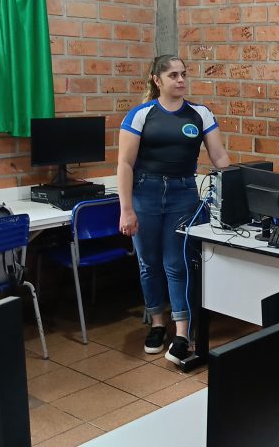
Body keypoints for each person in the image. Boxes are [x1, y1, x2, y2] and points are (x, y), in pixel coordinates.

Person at [118, 54, 230, 365]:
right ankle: (157, 323)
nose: (181, 80)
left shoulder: (199, 114)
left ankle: (183, 334)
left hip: (183, 194)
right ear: (157, 80)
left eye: (183, 75)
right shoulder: (141, 115)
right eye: (173, 76)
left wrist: (236, 191)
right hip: (146, 193)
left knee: (176, 263)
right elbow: (125, 164)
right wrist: (126, 209)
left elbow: (220, 158)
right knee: (149, 263)